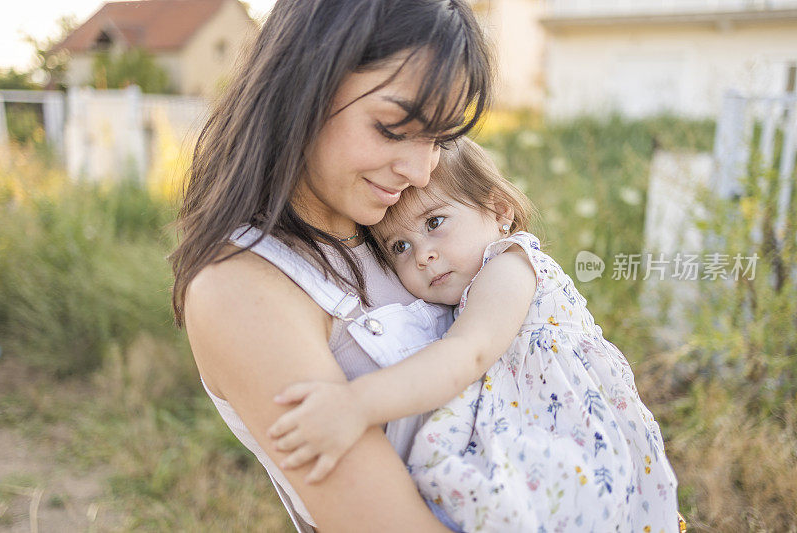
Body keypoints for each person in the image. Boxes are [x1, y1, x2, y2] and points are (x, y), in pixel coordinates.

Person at [169, 0, 493, 531]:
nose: (420, 171)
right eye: (393, 128)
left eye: (439, 138)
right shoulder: (243, 289)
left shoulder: (397, 221)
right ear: (302, 89)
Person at [267, 137, 682, 532]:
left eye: (435, 222)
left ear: (499, 211)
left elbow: (469, 352)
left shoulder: (510, 265)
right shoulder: (465, 288)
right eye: (399, 247)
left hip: (564, 441)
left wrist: (357, 404)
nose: (423, 254)